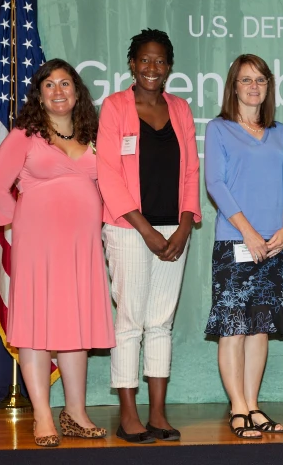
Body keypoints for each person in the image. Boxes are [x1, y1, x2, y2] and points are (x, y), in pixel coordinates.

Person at [0, 59, 114, 447]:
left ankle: (75, 413)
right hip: (38, 245)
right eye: (49, 86)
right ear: (39, 95)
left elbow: (108, 185)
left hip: (83, 246)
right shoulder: (25, 134)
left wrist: (100, 220)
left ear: (77, 93)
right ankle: (43, 414)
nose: (59, 92)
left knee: (76, 329)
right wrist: (19, 222)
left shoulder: (92, 133)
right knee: (37, 327)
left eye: (65, 84)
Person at [97, 29, 201, 444]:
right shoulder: (115, 107)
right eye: (145, 60)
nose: (152, 68)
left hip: (174, 230)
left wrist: (186, 224)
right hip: (128, 229)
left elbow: (192, 170)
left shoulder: (180, 109)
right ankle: (128, 415)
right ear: (132, 64)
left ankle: (158, 414)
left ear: (169, 66)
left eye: (160, 61)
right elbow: (108, 173)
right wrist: (145, 231)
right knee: (130, 323)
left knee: (160, 323)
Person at [204, 54, 283, 439]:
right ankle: (237, 407)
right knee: (233, 327)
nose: (254, 86)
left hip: (274, 244)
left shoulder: (278, 132)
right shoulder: (218, 128)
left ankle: (253, 404)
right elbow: (216, 184)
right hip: (235, 242)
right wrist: (247, 232)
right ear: (234, 86)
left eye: (260, 79)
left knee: (260, 327)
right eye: (246, 80)